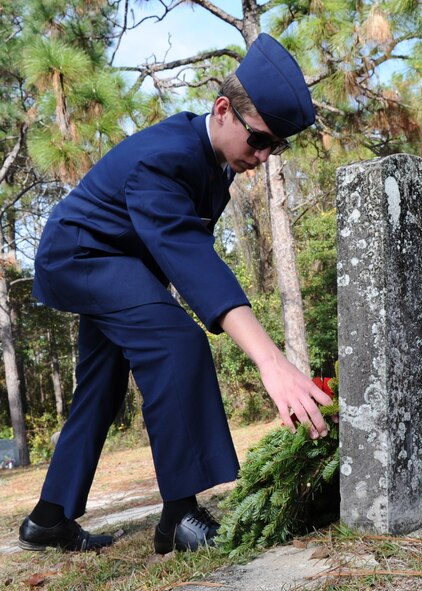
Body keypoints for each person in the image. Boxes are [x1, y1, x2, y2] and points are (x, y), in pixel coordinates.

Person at [19, 33, 333, 554]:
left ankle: (48, 518)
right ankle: (180, 517)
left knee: (102, 383)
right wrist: (271, 361)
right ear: (224, 109)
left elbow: (172, 250)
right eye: (258, 140)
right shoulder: (166, 157)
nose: (263, 155)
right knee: (177, 344)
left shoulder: (213, 162)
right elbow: (191, 258)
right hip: (81, 257)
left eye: (275, 146)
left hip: (119, 263)